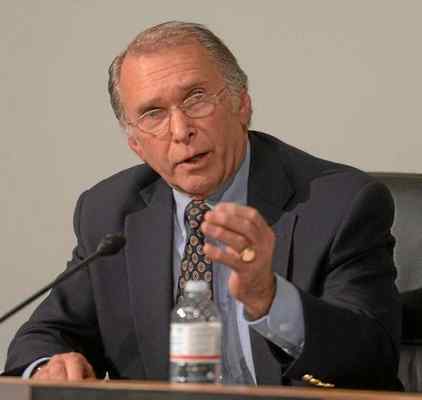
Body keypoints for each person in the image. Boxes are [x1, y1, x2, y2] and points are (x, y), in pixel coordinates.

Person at [4, 21, 401, 389]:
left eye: (196, 99)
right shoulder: (111, 212)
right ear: (135, 143)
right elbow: (44, 336)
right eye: (153, 114)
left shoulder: (339, 203)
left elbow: (373, 359)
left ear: (242, 103)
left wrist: (268, 297)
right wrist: (49, 365)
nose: (181, 131)